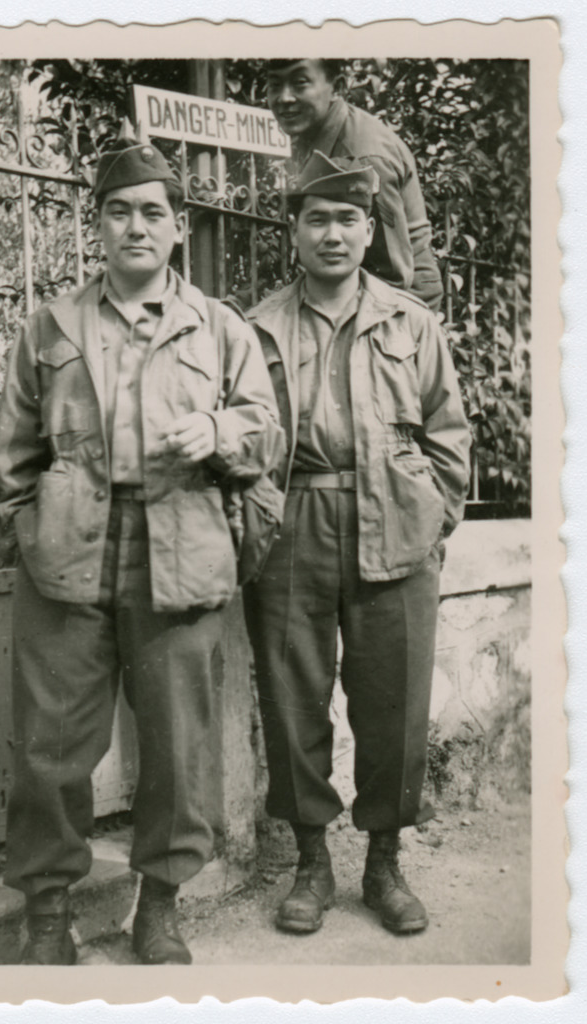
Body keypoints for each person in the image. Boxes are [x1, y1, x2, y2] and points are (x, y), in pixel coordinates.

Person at [0, 138, 284, 965]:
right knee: (49, 750)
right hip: (67, 564)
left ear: (179, 227)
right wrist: (30, 527)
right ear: (99, 226)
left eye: (152, 211)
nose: (135, 226)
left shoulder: (219, 328)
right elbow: (11, 457)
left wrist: (219, 429)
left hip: (181, 554)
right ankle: (48, 914)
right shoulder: (51, 326)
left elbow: (266, 434)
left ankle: (160, 906)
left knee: (178, 748)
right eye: (118, 211)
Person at [244, 152, 470, 937]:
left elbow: (448, 430)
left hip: (396, 521)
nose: (333, 234)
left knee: (393, 703)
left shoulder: (413, 321)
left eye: (347, 219)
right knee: (291, 695)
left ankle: (384, 861)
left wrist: (435, 518)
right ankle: (312, 860)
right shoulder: (258, 328)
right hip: (294, 521)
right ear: (295, 232)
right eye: (317, 219)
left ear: (370, 231)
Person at [266, 58, 444, 311]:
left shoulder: (362, 157)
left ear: (337, 87)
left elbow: (394, 278)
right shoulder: (315, 132)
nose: (284, 98)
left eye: (300, 83)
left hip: (401, 308)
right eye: (275, 85)